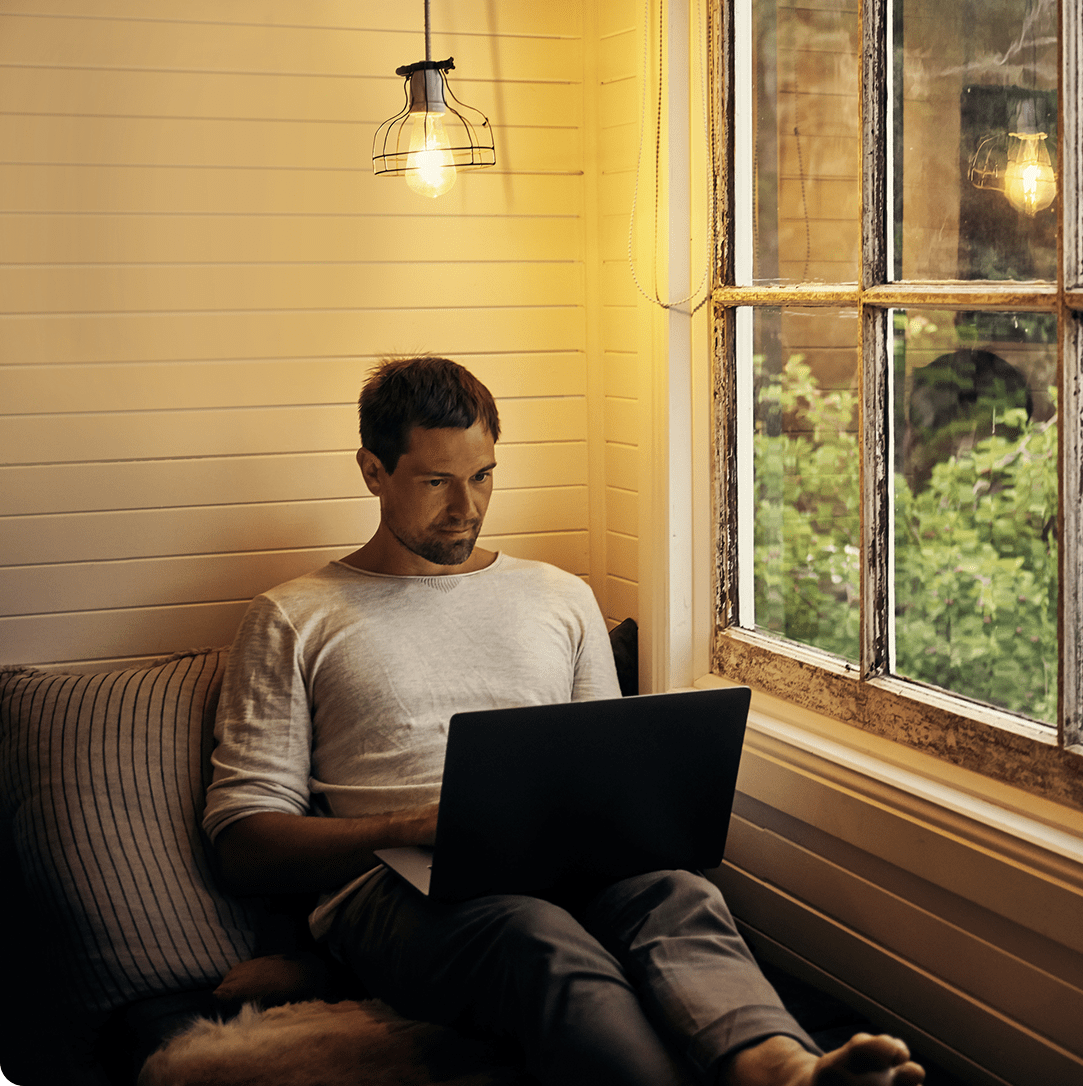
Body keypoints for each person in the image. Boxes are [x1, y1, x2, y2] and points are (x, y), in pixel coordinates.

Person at [204, 356, 925, 1086]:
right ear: (372, 470)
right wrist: (410, 827)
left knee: (680, 893)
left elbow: (606, 771)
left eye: (483, 475)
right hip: (396, 892)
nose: (467, 505)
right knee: (534, 935)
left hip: (566, 858)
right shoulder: (293, 617)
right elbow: (244, 843)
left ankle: (782, 1069)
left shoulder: (559, 595)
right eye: (436, 481)